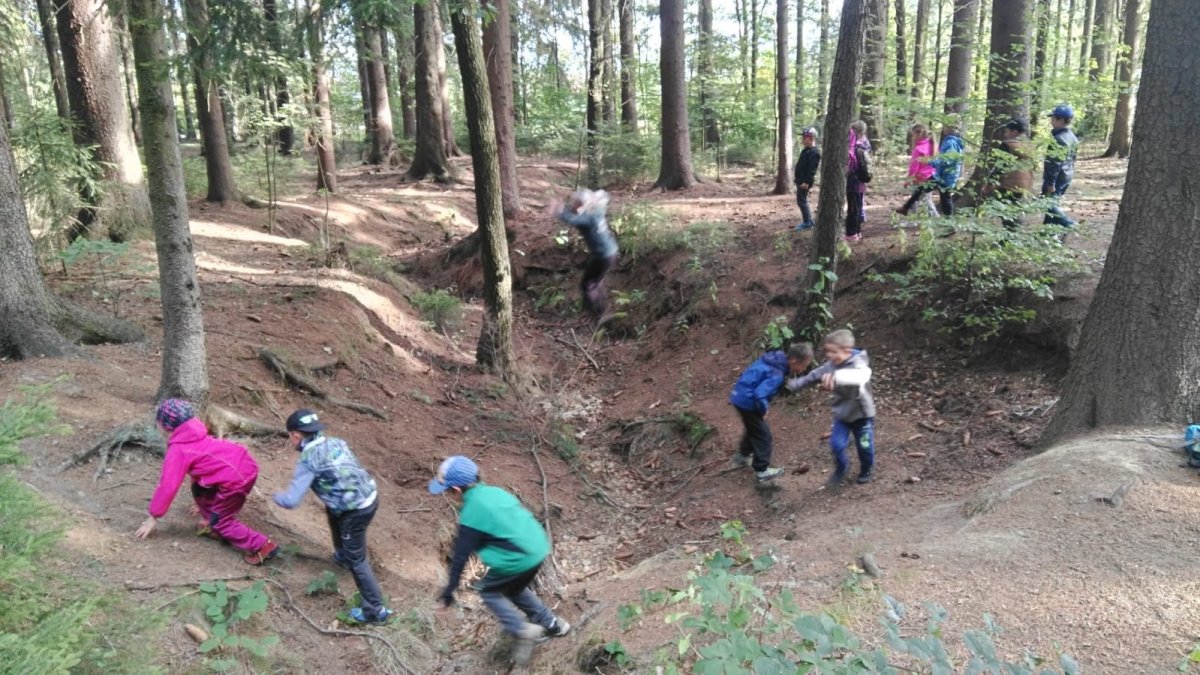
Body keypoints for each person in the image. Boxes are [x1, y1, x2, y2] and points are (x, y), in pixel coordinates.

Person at [430, 456, 570, 667]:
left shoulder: (471, 512)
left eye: (447, 491)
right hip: (539, 547)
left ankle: (522, 630)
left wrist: (448, 593)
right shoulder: (495, 492)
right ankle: (552, 624)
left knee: (489, 591)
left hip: (518, 557)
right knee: (513, 588)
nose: (447, 494)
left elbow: (460, 558)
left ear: (456, 490)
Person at [273, 409, 392, 624]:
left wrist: (276, 496)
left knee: (358, 560)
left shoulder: (309, 460)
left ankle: (375, 610)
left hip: (355, 510)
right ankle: (342, 555)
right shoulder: (336, 442)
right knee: (332, 512)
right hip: (368, 495)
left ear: (296, 436)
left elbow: (291, 500)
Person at [135, 399, 278, 565]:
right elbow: (202, 467)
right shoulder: (195, 433)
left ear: (165, 426)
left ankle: (263, 546)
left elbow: (168, 486)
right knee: (199, 489)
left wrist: (153, 516)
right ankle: (213, 521)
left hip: (235, 479)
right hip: (241, 465)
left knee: (222, 522)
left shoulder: (178, 450)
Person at [787, 330, 876, 488]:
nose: (829, 355)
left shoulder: (859, 362)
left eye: (833, 351)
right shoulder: (830, 365)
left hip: (862, 415)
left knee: (865, 446)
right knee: (836, 445)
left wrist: (837, 377)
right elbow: (814, 375)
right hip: (842, 415)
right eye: (827, 351)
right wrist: (796, 384)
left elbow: (861, 376)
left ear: (846, 351)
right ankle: (842, 468)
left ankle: (866, 470)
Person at [728, 343, 814, 483]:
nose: (804, 369)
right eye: (803, 365)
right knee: (763, 435)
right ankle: (762, 471)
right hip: (748, 402)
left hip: (739, 396)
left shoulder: (773, 359)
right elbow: (760, 394)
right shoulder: (777, 373)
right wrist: (763, 409)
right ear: (793, 360)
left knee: (754, 428)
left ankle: (743, 455)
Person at [552, 189, 619, 324]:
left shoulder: (588, 219)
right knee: (595, 283)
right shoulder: (597, 212)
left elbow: (572, 219)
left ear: (581, 204)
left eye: (575, 203)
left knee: (588, 285)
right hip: (609, 252)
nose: (572, 205)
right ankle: (597, 312)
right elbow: (602, 198)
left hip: (603, 256)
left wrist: (558, 211)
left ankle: (602, 314)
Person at [987, 119, 1036, 231]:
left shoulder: (1007, 145)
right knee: (1015, 209)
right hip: (1025, 184)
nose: (1005, 134)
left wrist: (990, 182)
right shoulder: (1030, 145)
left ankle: (1010, 234)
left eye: (1007, 131)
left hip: (1008, 184)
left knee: (1005, 210)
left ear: (1014, 132)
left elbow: (999, 166)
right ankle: (1015, 231)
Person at [1043, 104, 1079, 229]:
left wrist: (1050, 183)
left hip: (1058, 177)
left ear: (1061, 120)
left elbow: (1054, 163)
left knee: (1050, 205)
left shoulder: (1059, 139)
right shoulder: (1073, 137)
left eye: (1053, 118)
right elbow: (1073, 159)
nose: (1051, 121)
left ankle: (1069, 223)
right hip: (1067, 175)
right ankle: (1046, 233)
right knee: (1051, 204)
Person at [894, 123, 938, 218]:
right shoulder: (930, 144)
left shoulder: (918, 149)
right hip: (931, 175)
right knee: (923, 198)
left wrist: (908, 180)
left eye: (913, 135)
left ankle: (932, 217)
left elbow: (914, 167)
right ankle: (929, 217)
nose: (912, 137)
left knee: (921, 199)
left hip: (920, 177)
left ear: (919, 134)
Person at [930, 119, 965, 216]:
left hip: (947, 175)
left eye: (945, 127)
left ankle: (948, 220)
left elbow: (947, 160)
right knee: (945, 198)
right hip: (948, 175)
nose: (944, 129)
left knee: (946, 198)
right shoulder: (953, 141)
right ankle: (946, 219)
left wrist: (932, 162)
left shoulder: (951, 142)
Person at [845, 121, 872, 242]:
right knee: (858, 206)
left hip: (853, 180)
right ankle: (857, 231)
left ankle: (851, 234)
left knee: (852, 207)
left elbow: (850, 162)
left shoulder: (854, 145)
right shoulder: (865, 143)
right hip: (862, 180)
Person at [793, 127, 822, 231]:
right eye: (803, 138)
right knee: (801, 200)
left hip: (804, 182)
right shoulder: (806, 151)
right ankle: (809, 220)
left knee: (802, 201)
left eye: (805, 138)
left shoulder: (814, 153)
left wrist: (806, 182)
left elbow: (812, 170)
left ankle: (807, 222)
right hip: (800, 180)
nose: (803, 140)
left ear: (812, 138)